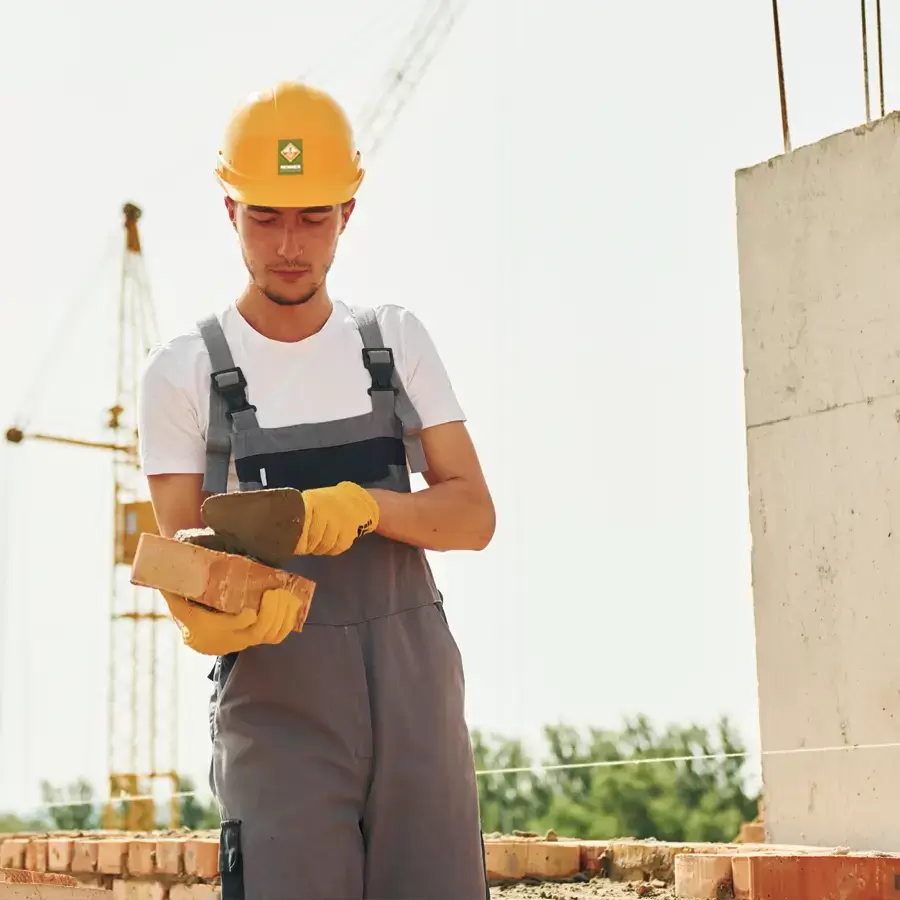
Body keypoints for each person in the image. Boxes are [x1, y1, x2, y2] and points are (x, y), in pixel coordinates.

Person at [137, 80, 496, 899]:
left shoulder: (391, 344)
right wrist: (205, 616)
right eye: (265, 216)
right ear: (230, 211)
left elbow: (473, 515)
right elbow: (185, 560)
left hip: (416, 692)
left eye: (313, 217)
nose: (289, 244)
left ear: (348, 213)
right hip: (278, 702)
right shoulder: (183, 374)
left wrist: (366, 507)